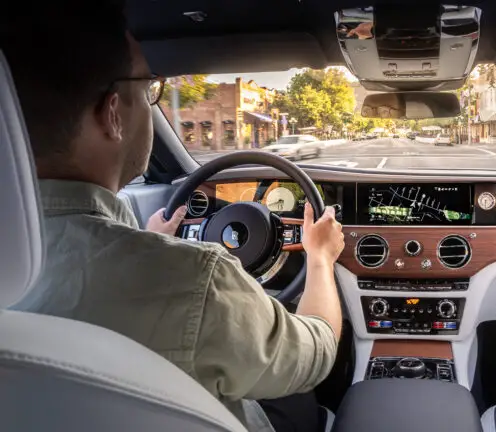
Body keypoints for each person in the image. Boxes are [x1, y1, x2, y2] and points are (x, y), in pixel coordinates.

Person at [2, 4, 344, 432]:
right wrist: (319, 259)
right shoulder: (193, 278)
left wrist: (137, 241)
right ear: (112, 113)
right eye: (149, 89)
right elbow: (316, 352)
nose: (151, 100)